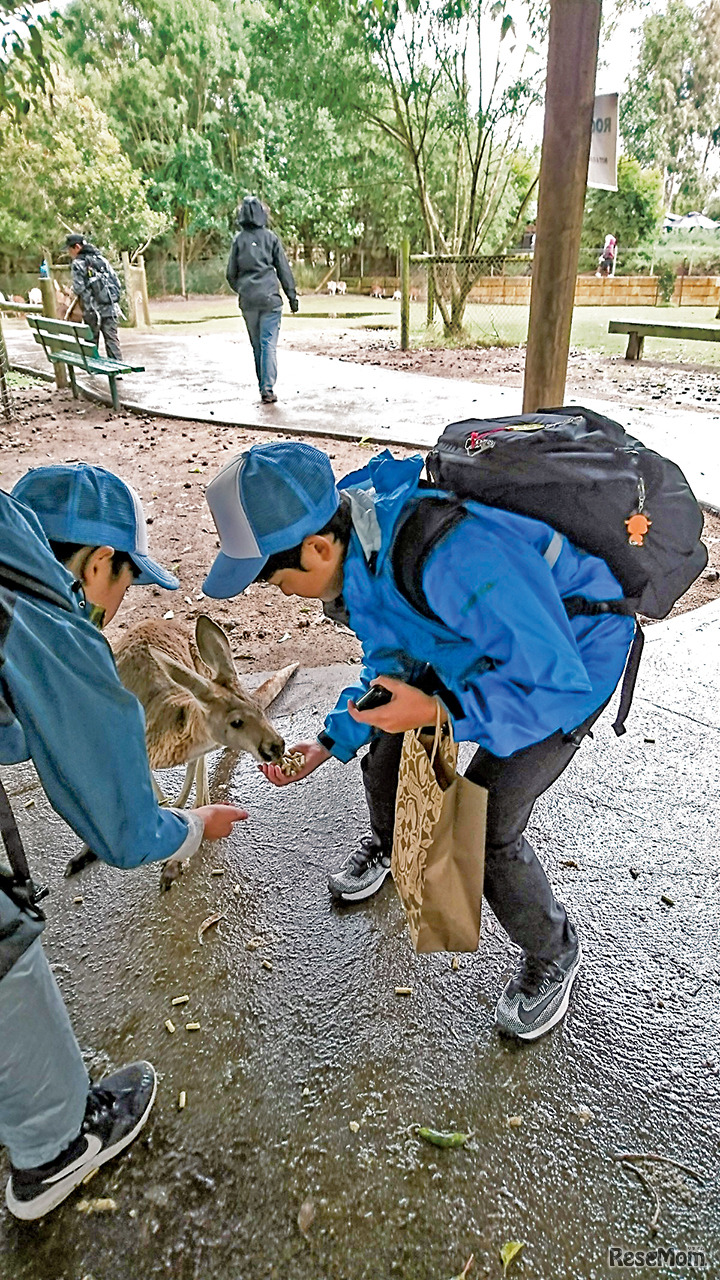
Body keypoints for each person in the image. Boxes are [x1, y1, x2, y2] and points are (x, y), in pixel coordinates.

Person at [201, 442, 634, 1043]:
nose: (281, 596)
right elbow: (389, 661)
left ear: (318, 548)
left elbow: (553, 679)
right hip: (475, 646)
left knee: (483, 821)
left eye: (276, 582)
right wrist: (330, 740)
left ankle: (554, 952)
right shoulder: (363, 551)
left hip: (570, 662)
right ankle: (386, 845)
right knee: (384, 751)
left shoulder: (451, 557)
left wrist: (437, 709)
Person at [0, 462, 246, 1220]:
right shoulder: (47, 612)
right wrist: (189, 831)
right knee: (6, 946)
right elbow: (120, 825)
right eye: (124, 581)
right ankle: (55, 1148)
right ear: (98, 562)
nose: (118, 604)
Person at [226, 196, 299, 405]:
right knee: (269, 343)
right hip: (270, 298)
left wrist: (241, 288)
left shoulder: (238, 241)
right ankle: (267, 388)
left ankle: (263, 386)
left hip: (248, 300)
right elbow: (283, 269)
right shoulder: (271, 238)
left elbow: (231, 273)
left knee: (257, 345)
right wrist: (291, 296)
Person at [65, 233, 124, 362]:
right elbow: (117, 282)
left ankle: (91, 370)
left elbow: (79, 288)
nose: (69, 253)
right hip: (111, 308)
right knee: (112, 339)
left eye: (70, 249)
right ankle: (118, 370)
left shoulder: (78, 264)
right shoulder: (101, 259)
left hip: (93, 310)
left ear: (77, 247)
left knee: (91, 341)